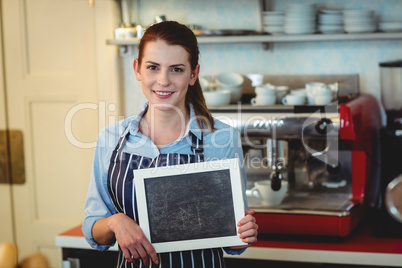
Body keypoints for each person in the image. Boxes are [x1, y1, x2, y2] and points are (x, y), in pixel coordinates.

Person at [82, 20, 258, 267]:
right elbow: (93, 228)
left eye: (176, 69)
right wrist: (115, 222)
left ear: (193, 74)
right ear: (137, 69)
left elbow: (232, 239)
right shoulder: (110, 139)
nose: (163, 80)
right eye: (153, 67)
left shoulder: (221, 139)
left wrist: (243, 233)